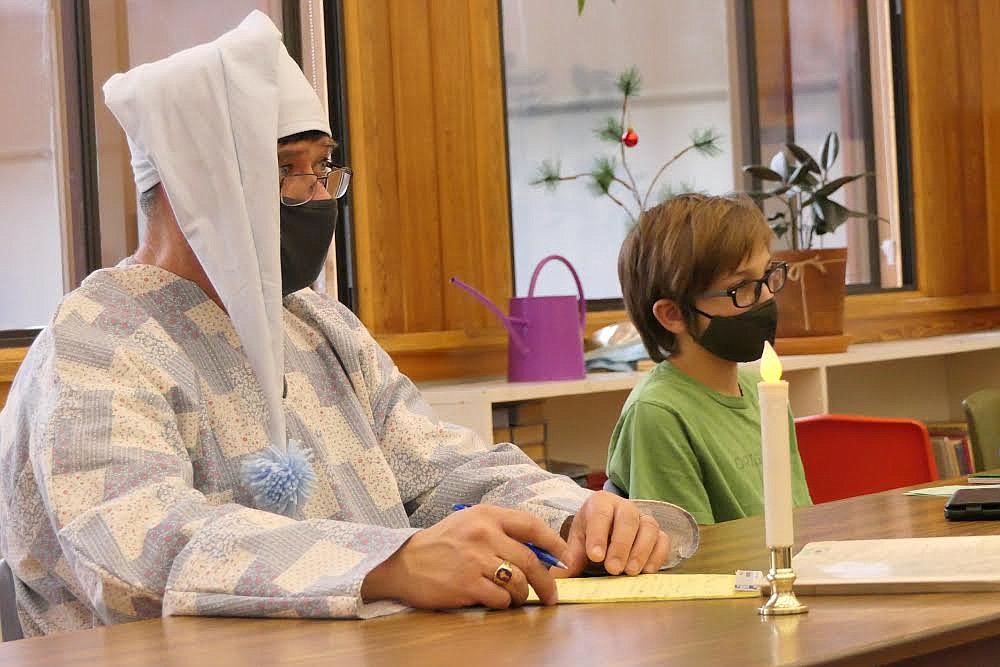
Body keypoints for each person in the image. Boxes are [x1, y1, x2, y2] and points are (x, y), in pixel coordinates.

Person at [0, 12, 697, 636]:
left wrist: (579, 515)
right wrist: (390, 562)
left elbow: (442, 467)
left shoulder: (316, 323)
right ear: (198, 184)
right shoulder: (95, 341)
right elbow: (138, 550)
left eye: (323, 166)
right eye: (285, 170)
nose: (314, 194)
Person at [606, 194, 812, 524]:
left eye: (767, 275)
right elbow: (692, 557)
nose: (767, 296)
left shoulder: (763, 390)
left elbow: (799, 519)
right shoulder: (659, 414)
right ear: (672, 314)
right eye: (742, 286)